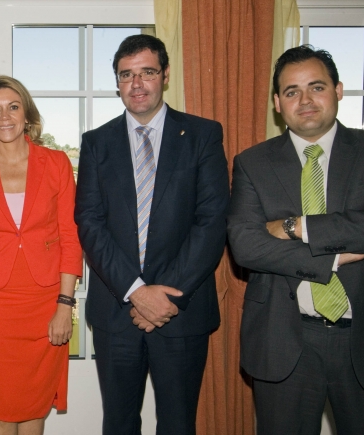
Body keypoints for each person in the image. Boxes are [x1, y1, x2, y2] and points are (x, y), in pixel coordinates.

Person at [227, 45, 364, 434]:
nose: (304, 100)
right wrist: (338, 251)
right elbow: (246, 244)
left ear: (338, 90)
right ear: (276, 103)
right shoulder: (252, 163)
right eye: (291, 91)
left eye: (316, 87)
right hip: (285, 343)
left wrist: (293, 227)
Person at [74, 34, 229, 435]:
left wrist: (164, 296)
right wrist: (137, 292)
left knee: (178, 424)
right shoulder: (96, 143)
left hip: (181, 311)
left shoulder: (203, 135)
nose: (137, 84)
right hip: (117, 310)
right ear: (118, 83)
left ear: (165, 75)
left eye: (147, 72)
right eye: (126, 75)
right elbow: (89, 222)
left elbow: (211, 221)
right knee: (119, 423)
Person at [0, 75, 82, 435]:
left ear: (27, 114)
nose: (5, 116)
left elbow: (70, 238)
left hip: (45, 298)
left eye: (13, 107)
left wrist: (65, 305)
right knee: (1, 406)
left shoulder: (57, 163)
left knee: (34, 407)